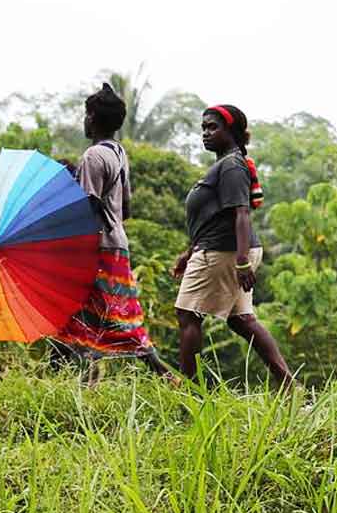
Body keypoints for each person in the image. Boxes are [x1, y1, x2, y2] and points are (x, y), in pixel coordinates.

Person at [172, 104, 294, 388]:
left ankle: (188, 391)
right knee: (242, 320)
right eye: (203, 127)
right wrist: (189, 253)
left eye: (213, 127)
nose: (205, 133)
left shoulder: (231, 165)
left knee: (188, 314)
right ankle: (289, 386)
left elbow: (241, 213)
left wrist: (241, 262)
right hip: (221, 248)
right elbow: (214, 217)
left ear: (233, 131)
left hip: (225, 252)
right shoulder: (226, 163)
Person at [54, 83, 171, 377]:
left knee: (108, 315)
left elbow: (88, 210)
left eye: (86, 114)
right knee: (93, 314)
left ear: (92, 117)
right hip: (116, 242)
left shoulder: (93, 156)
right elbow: (125, 209)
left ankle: (164, 374)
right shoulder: (118, 152)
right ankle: (82, 382)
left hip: (98, 247)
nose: (84, 120)